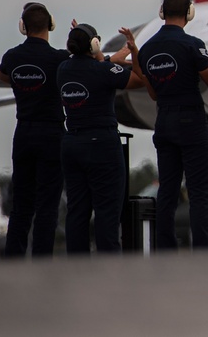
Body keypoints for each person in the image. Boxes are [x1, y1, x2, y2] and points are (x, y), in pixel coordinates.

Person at [138, 0, 208, 249]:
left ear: (162, 13)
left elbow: (152, 93)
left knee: (167, 190)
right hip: (191, 122)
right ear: (189, 13)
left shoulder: (146, 49)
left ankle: (164, 246)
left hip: (163, 122)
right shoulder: (192, 44)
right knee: (199, 192)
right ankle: (203, 247)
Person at [57, 23, 147, 254]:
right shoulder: (102, 71)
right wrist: (133, 51)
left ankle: (77, 266)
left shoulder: (63, 69)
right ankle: (109, 269)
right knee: (107, 211)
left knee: (77, 211)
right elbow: (138, 79)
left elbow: (98, 66)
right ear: (94, 45)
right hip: (101, 144)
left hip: (72, 143)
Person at [0, 2, 70, 257]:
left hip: (24, 132)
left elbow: (5, 76)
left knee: (21, 204)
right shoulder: (58, 59)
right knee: (48, 203)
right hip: (51, 133)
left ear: (23, 27)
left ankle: (14, 257)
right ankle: (42, 258)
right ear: (50, 26)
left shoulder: (12, 57)